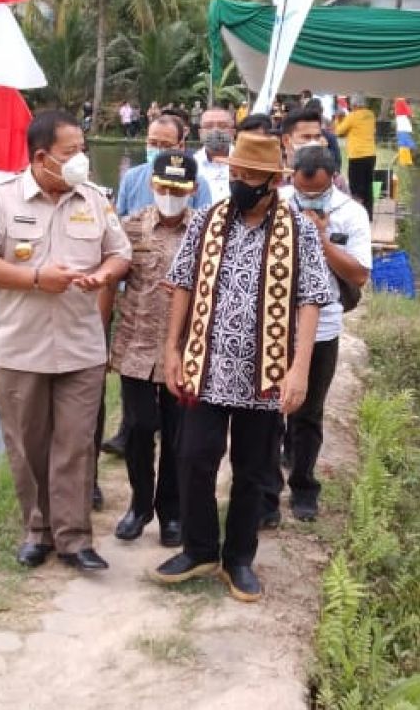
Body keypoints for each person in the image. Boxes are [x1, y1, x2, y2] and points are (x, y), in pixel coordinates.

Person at [154, 132, 333, 602]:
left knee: (253, 469)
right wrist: (171, 349)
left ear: (273, 181)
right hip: (205, 367)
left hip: (264, 373)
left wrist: (299, 369)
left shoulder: (296, 230)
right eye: (235, 174)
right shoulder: (208, 221)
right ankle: (200, 549)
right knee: (193, 458)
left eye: (250, 176)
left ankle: (238, 558)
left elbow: (312, 298)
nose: (240, 182)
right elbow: (182, 284)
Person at [0, 109, 132, 572]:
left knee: (76, 444)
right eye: (70, 152)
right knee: (29, 446)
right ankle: (37, 530)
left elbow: (121, 253)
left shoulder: (94, 199)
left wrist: (102, 275)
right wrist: (36, 277)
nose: (81, 159)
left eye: (83, 149)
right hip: (19, 350)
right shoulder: (0, 201)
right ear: (41, 157)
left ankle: (75, 539)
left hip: (81, 347)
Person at [266, 146, 371, 522]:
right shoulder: (274, 203)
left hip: (323, 328)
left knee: (308, 413)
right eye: (302, 188)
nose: (308, 197)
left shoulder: (352, 213)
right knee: (267, 411)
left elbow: (359, 274)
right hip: (273, 323)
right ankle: (267, 492)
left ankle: (304, 487)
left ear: (333, 181)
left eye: (317, 191)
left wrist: (321, 239)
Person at [102, 150, 198, 547]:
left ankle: (171, 512)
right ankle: (140, 504)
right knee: (140, 428)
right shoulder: (129, 227)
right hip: (136, 346)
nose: (170, 194)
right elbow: (110, 278)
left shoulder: (205, 232)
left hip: (185, 351)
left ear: (191, 190)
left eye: (179, 188)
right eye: (164, 186)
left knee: (179, 435)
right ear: (153, 185)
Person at [114, 115, 212, 217]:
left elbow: (205, 223)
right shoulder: (132, 177)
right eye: (153, 143)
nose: (159, 149)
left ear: (181, 146)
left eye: (166, 145)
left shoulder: (197, 183)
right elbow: (119, 219)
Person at [333, 92, 376, 220]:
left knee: (356, 186)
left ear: (354, 104)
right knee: (368, 185)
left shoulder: (352, 116)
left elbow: (339, 131)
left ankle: (358, 216)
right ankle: (369, 215)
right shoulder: (371, 115)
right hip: (371, 155)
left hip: (357, 155)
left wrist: (338, 119)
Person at [194, 106, 235, 203]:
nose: (215, 130)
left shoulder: (246, 163)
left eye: (222, 126)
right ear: (200, 133)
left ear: (233, 132)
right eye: (208, 126)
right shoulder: (191, 165)